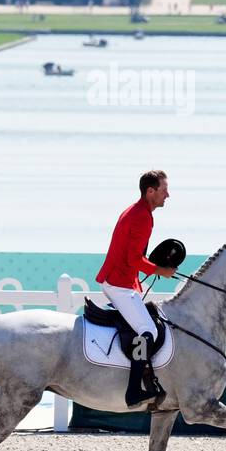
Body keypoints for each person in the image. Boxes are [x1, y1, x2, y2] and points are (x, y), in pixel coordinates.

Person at [94, 170, 174, 406]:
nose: (167, 195)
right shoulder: (142, 217)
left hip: (120, 280)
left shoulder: (137, 210)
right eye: (163, 190)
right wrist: (161, 271)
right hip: (118, 283)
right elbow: (133, 260)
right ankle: (133, 391)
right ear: (151, 191)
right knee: (149, 331)